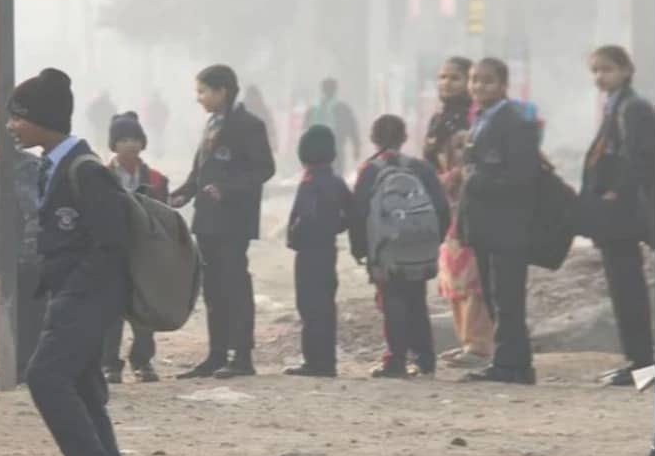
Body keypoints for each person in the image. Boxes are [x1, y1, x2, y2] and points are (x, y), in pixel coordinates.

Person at [6, 68, 139, 456]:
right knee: (81, 386)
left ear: (41, 119)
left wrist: (78, 289)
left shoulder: (85, 170)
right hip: (70, 293)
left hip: (86, 297)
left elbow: (110, 241)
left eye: (18, 118)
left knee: (45, 378)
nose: (11, 127)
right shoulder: (56, 165)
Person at [171, 64, 276, 379]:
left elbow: (263, 169)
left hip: (234, 220)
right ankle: (216, 354)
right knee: (213, 288)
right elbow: (199, 172)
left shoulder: (248, 125)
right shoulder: (211, 125)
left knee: (235, 284)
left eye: (203, 91)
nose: (199, 98)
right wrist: (181, 195)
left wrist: (228, 190)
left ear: (222, 91)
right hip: (207, 219)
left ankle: (241, 355)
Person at [457, 58, 541, 385]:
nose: (479, 87)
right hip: (484, 223)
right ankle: (511, 361)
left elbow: (522, 176)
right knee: (493, 295)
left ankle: (511, 365)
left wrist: (478, 179)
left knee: (507, 297)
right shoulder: (480, 119)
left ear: (503, 85)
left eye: (487, 81)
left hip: (508, 225)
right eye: (475, 80)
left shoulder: (515, 122)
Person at [349, 115, 450, 378]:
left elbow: (358, 213)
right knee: (417, 299)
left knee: (392, 299)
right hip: (420, 246)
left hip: (387, 250)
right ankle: (425, 359)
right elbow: (441, 207)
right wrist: (432, 241)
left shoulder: (370, 170)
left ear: (373, 138)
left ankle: (396, 360)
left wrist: (360, 250)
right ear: (404, 137)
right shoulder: (421, 168)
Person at [581, 45, 655, 387]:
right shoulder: (616, 106)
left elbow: (638, 158)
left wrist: (616, 192)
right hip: (617, 215)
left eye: (607, 69)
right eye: (595, 70)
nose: (600, 77)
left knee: (629, 290)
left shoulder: (633, 108)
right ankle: (638, 361)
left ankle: (643, 363)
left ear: (626, 70)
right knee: (624, 290)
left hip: (626, 215)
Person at [424, 57, 493, 370]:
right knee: (452, 275)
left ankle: (479, 345)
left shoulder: (475, 118)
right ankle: (464, 339)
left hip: (471, 205)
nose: (446, 84)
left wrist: (450, 178)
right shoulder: (440, 120)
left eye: (454, 78)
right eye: (442, 77)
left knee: (473, 276)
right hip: (445, 206)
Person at [0, 110, 47, 388]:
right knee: (35, 310)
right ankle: (28, 364)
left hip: (8, 252)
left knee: (13, 310)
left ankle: (15, 365)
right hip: (39, 249)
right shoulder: (36, 164)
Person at [102, 112, 169, 384]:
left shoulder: (156, 179)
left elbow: (166, 216)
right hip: (112, 253)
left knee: (144, 310)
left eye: (136, 139)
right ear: (114, 145)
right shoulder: (101, 176)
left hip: (145, 253)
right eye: (124, 139)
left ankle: (142, 361)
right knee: (111, 312)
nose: (131, 145)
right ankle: (109, 364)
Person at [283, 125, 350, 378]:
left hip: (310, 252)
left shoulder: (310, 181)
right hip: (327, 249)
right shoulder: (335, 180)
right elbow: (350, 212)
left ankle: (315, 361)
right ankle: (327, 360)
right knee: (325, 305)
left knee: (310, 307)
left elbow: (306, 216)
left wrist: (296, 236)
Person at [307, 78, 360, 177]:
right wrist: (356, 147)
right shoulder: (342, 107)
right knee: (336, 177)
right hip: (336, 149)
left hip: (316, 150)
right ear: (336, 90)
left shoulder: (313, 108)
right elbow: (352, 128)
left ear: (321, 90)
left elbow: (305, 130)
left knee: (317, 178)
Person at [243, 85, 279, 158]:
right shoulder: (243, 110)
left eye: (255, 97)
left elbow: (270, 129)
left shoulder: (264, 111)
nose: (254, 100)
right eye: (251, 97)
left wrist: (273, 143)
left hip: (260, 147)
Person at [143, 90, 170, 158]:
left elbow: (166, 113)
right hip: (157, 124)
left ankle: (158, 152)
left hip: (157, 124)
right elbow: (166, 113)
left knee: (157, 138)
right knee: (157, 139)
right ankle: (157, 152)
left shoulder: (154, 104)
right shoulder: (159, 104)